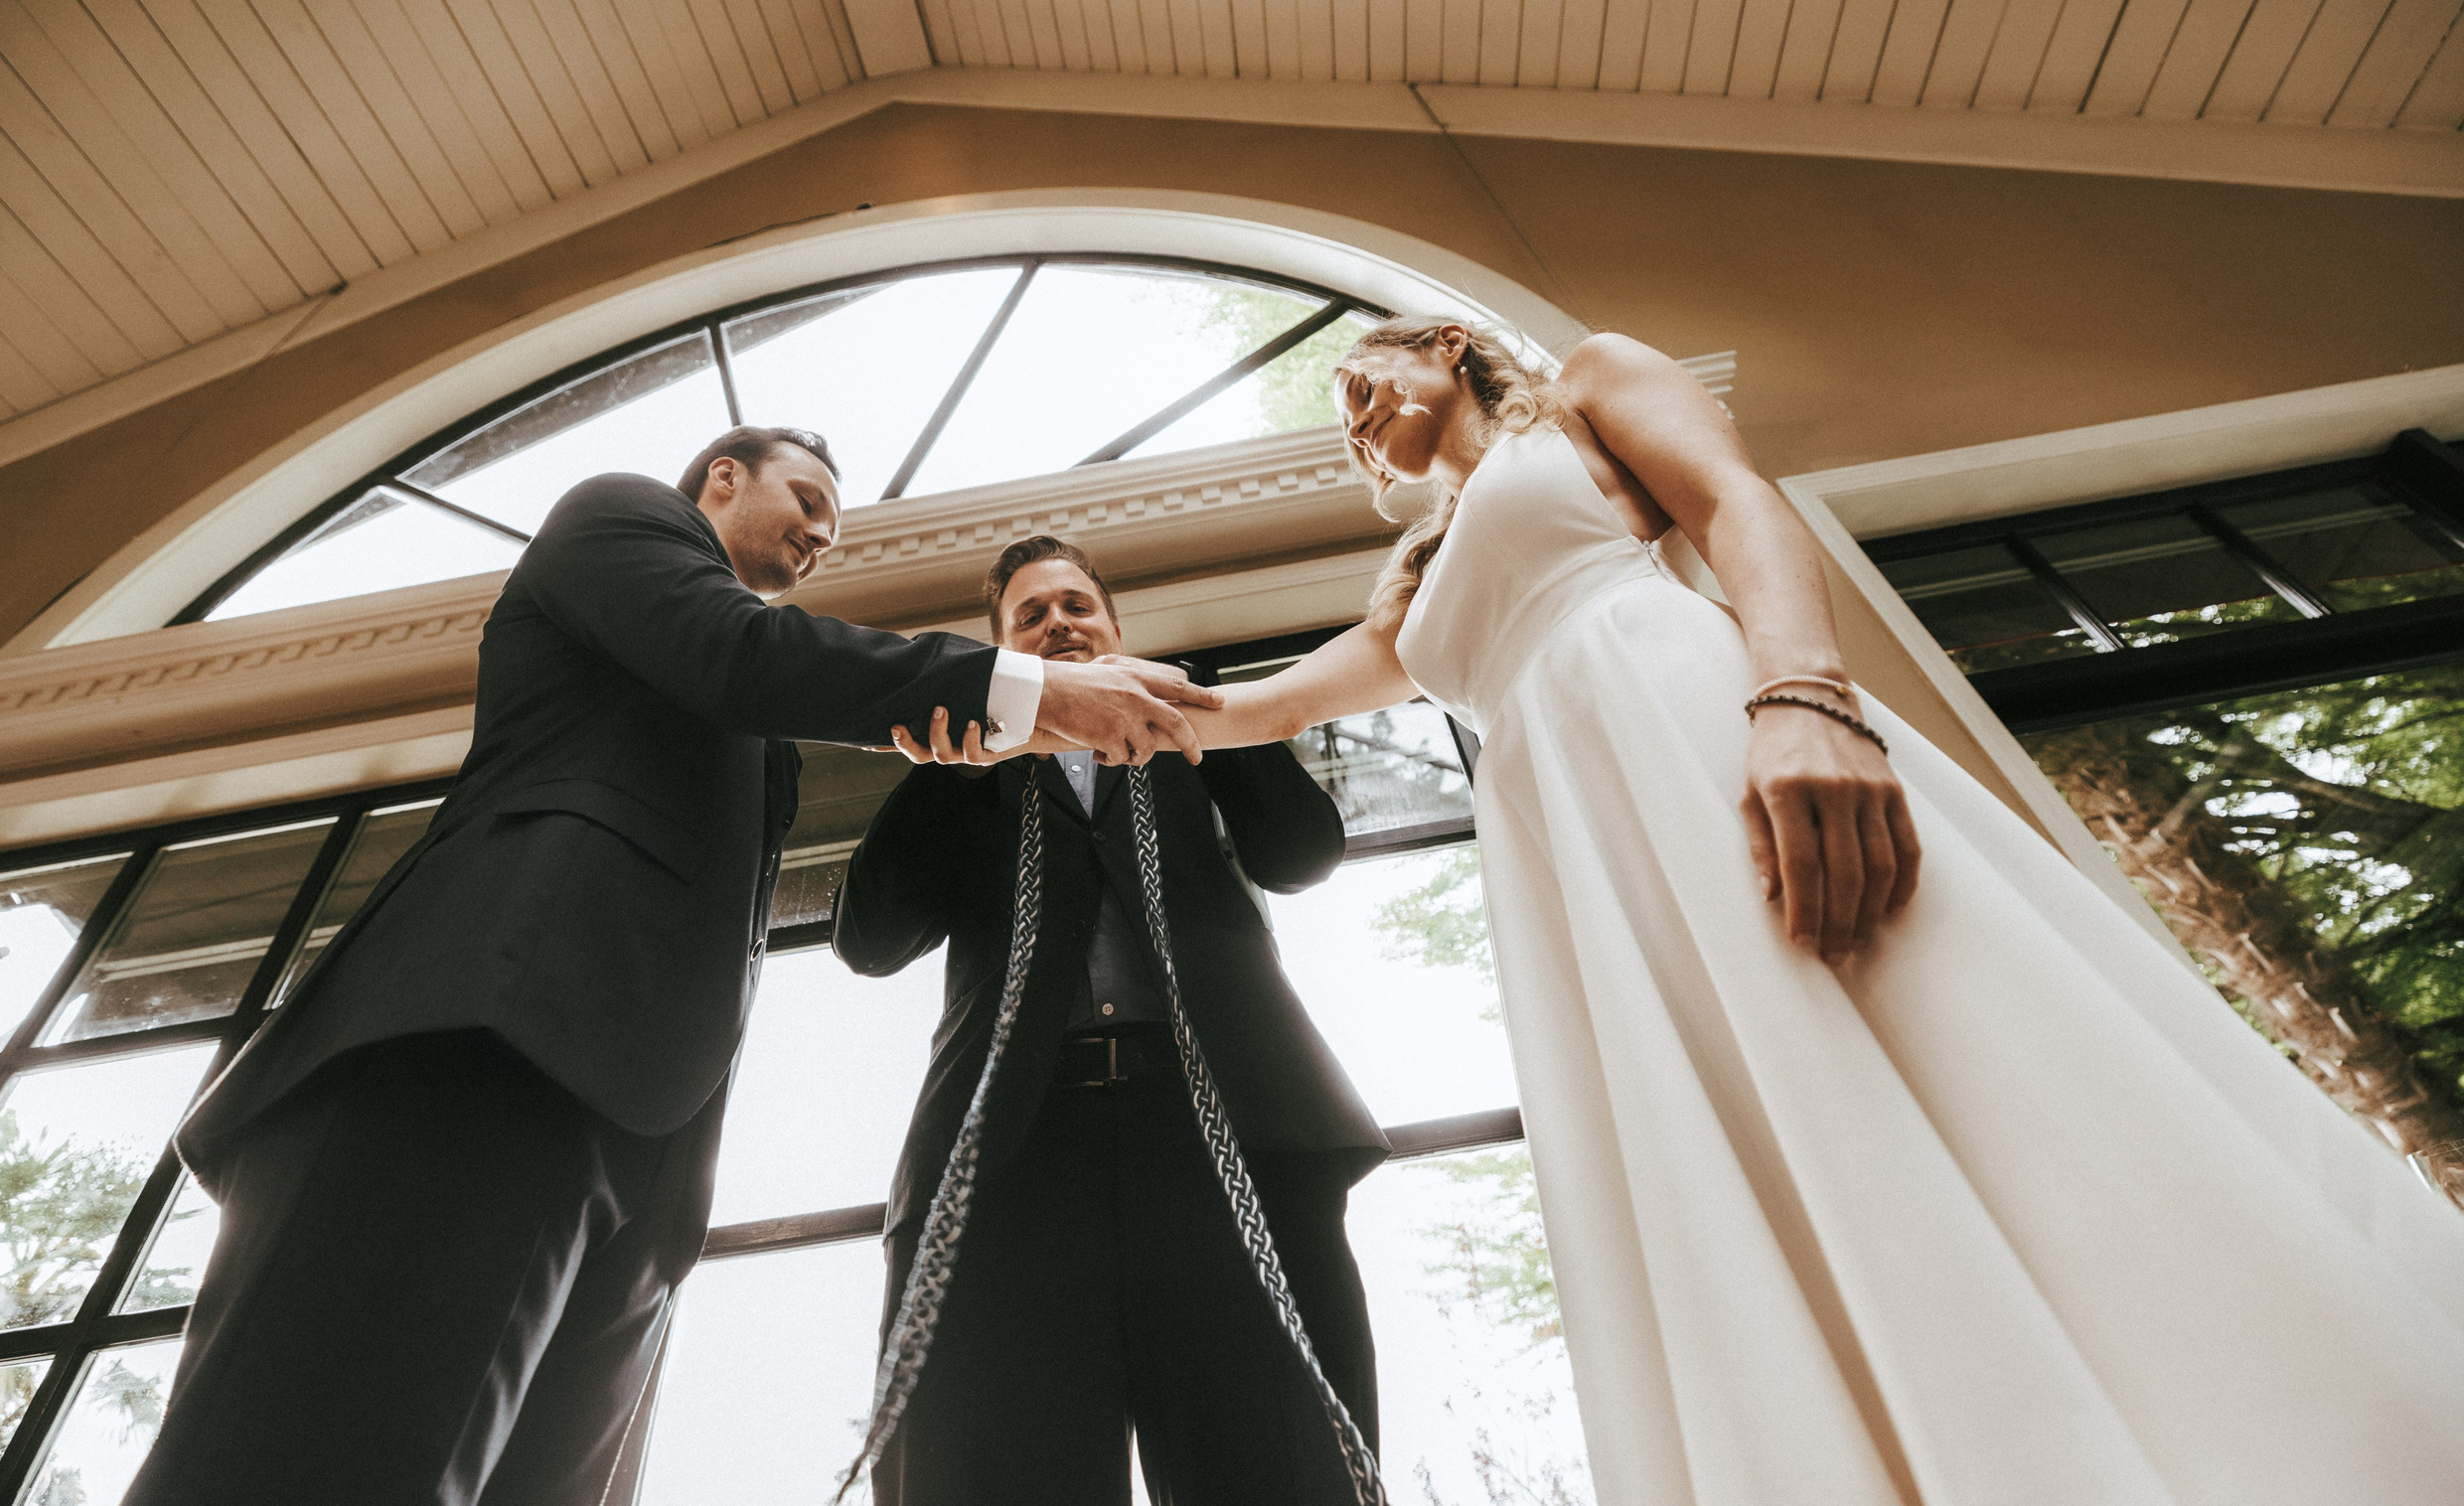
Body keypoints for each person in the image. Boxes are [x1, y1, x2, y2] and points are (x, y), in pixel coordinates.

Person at [908, 323, 2464, 1504]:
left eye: (1363, 384)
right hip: (1573, 843)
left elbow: (1740, 509)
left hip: (1686, 717)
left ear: (1443, 349)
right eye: (1339, 421)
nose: (1357, 421)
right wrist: (1034, 698)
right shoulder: (1414, 576)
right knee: (1729, 1126)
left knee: (1915, 1026)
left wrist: (1804, 697)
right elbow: (1254, 715)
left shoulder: (1589, 384)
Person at [125, 428, 1219, 1506]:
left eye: (831, 525)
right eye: (804, 497)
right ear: (723, 478)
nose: (820, 531)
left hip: (642, 1149)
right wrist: (1021, 693)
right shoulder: (619, 516)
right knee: (332, 1459)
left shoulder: (761, 730)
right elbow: (738, 655)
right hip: (478, 1041)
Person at [838, 535, 1387, 1504]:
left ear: (1117, 629)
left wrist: (1200, 716)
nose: (1059, 623)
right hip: (1014, 1158)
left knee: (1276, 1462)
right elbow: (870, 940)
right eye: (1032, 617)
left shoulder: (1192, 737)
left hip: (1219, 1140)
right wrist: (960, 765)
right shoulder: (970, 771)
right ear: (1003, 651)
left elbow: (1302, 854)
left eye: (1076, 606)